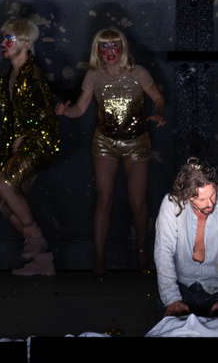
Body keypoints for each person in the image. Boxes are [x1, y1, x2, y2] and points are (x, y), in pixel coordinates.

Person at [56, 28, 166, 276]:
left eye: (114, 46)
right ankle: (99, 258)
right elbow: (80, 109)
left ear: (122, 48)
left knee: (138, 202)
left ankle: (141, 253)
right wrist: (66, 112)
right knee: (103, 199)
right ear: (97, 51)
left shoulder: (138, 73)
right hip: (104, 142)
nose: (109, 52)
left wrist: (159, 112)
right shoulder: (93, 76)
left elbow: (158, 98)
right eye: (104, 47)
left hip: (137, 142)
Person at [0, 18, 59, 276]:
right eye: (3, 39)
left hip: (37, 142)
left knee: (4, 184)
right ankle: (43, 260)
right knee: (6, 206)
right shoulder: (10, 74)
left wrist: (25, 134)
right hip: (17, 145)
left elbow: (44, 112)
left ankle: (35, 237)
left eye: (9, 39)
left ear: (26, 43)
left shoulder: (32, 74)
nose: (3, 44)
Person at [155, 158, 218, 321]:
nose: (210, 204)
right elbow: (163, 252)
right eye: (202, 200)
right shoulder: (172, 204)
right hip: (180, 289)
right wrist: (171, 298)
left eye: (213, 196)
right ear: (187, 196)